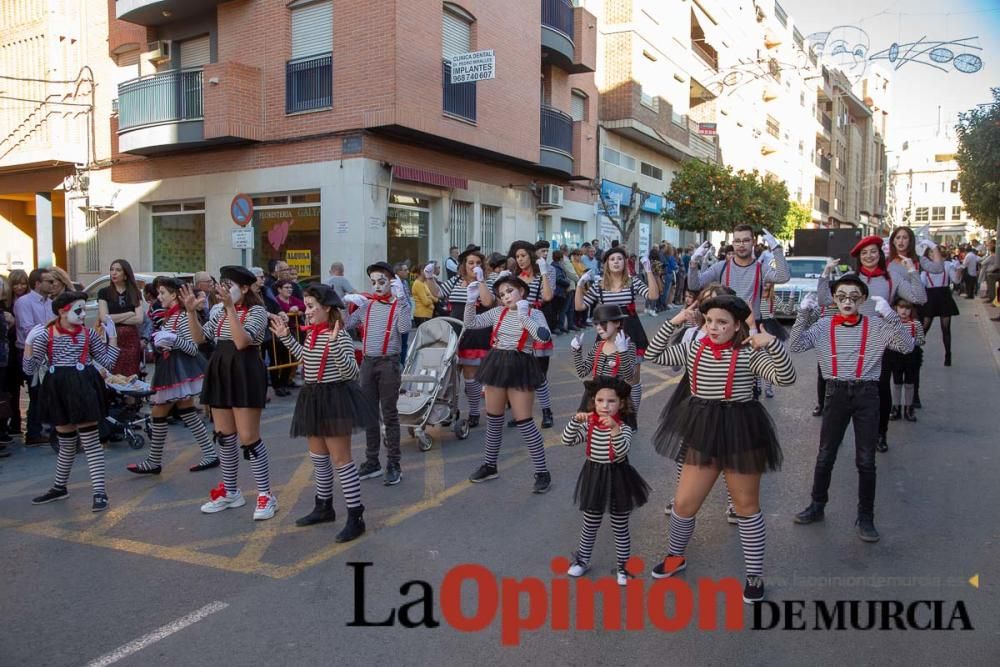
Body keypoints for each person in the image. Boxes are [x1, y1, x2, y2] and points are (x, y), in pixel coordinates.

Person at [643, 295, 796, 604]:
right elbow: (653, 354)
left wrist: (771, 344)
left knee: (745, 506)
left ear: (737, 325)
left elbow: (786, 378)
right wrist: (674, 321)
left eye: (722, 322)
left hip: (741, 429)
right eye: (710, 321)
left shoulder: (748, 353)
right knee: (684, 504)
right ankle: (676, 557)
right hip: (703, 428)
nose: (713, 327)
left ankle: (754, 575)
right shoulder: (692, 347)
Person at [790, 275, 913, 543]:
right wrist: (802, 314)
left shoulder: (877, 327)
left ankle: (865, 517)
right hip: (835, 394)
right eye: (841, 296)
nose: (847, 301)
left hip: (867, 394)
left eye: (854, 295)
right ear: (834, 299)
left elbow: (907, 346)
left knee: (866, 460)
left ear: (864, 299)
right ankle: (817, 505)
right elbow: (796, 345)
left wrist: (892, 317)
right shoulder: (823, 325)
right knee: (825, 455)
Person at [270, 284, 377, 541]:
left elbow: (351, 373)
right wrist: (286, 337)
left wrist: (336, 346)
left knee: (342, 461)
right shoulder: (313, 333)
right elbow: (307, 359)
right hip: (313, 396)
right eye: (306, 306)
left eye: (310, 307)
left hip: (335, 397)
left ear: (326, 308)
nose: (306, 312)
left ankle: (356, 516)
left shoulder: (338, 334)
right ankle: (324, 506)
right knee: (318, 458)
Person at [181, 266, 276, 520]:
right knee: (224, 435)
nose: (223, 290)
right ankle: (231, 491)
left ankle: (266, 494)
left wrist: (231, 310)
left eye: (229, 285)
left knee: (249, 437)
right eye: (221, 284)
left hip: (245, 371)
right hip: (220, 369)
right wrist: (191, 313)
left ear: (245, 288)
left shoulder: (256, 311)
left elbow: (242, 342)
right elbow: (200, 340)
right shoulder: (220, 312)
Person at [816, 235, 925, 451]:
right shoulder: (850, 278)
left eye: (873, 251)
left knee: (881, 390)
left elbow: (919, 298)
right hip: (850, 340)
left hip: (880, 342)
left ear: (880, 253)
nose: (869, 256)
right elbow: (824, 300)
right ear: (858, 257)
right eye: (864, 253)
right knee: (842, 391)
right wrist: (826, 273)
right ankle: (835, 439)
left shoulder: (891, 278)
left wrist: (912, 271)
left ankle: (880, 434)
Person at [651, 283, 740, 522]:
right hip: (693, 395)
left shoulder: (737, 335)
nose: (709, 307)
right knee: (688, 449)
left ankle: (735, 501)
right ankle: (682, 495)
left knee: (729, 451)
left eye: (716, 300)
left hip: (728, 398)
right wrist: (677, 323)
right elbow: (669, 362)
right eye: (705, 302)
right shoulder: (693, 334)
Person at [25, 291, 120, 511]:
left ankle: (99, 491)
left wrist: (113, 338)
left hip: (83, 388)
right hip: (58, 390)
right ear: (62, 311)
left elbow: (107, 363)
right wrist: (29, 344)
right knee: (66, 441)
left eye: (84, 309)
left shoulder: (89, 335)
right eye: (79, 309)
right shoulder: (45, 335)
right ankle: (60, 487)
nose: (83, 314)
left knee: (90, 441)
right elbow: (29, 369)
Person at [463, 273, 553, 492]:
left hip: (521, 364)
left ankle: (542, 472)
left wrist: (524, 317)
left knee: (525, 422)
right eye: (501, 294)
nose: (505, 296)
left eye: (510, 291)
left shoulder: (536, 313)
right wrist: (470, 301)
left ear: (521, 291)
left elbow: (543, 337)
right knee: (493, 419)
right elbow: (471, 323)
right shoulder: (497, 312)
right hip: (496, 362)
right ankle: (490, 465)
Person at [562, 377, 649, 586]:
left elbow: (621, 451)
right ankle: (582, 560)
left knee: (620, 524)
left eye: (611, 401)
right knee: (590, 522)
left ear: (621, 404)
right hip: (593, 476)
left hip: (617, 477)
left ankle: (623, 567)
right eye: (600, 400)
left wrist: (614, 430)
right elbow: (567, 441)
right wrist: (575, 421)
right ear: (594, 402)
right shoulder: (590, 426)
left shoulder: (623, 428)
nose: (605, 406)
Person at [127, 278, 218, 475]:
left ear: (175, 295)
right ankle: (210, 454)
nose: (159, 297)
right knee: (187, 411)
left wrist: (173, 340)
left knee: (159, 412)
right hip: (173, 368)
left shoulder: (183, 316)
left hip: (180, 369)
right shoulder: (171, 315)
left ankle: (154, 461)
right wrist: (164, 343)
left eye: (162, 293)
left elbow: (194, 348)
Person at [343, 262, 411, 486]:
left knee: (389, 415)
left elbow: (404, 330)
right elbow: (345, 325)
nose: (377, 286)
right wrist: (344, 305)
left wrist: (401, 301)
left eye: (382, 281)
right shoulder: (367, 307)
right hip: (368, 364)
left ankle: (394, 463)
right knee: (369, 414)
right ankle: (372, 461)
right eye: (373, 282)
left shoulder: (398, 305)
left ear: (392, 282)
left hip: (388, 364)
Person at [575, 245, 657, 422]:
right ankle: (606, 415)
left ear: (625, 262)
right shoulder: (599, 286)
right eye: (612, 259)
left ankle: (631, 417)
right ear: (606, 264)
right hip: (606, 332)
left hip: (631, 330)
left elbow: (653, 295)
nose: (616, 262)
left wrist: (648, 270)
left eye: (620, 258)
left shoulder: (633, 282)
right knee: (605, 376)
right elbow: (580, 306)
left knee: (632, 378)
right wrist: (580, 285)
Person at [687, 225, 790, 324]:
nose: (741, 245)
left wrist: (777, 249)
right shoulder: (721, 267)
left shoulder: (761, 268)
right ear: (733, 243)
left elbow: (783, 277)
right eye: (737, 241)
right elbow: (694, 285)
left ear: (753, 242)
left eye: (746, 240)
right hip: (727, 325)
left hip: (753, 325)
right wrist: (693, 262)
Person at [440, 248, 494, 427]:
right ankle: (449, 410)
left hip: (475, 333)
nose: (474, 266)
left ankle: (473, 412)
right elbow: (437, 293)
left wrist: (480, 282)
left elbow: (487, 302)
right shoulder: (456, 280)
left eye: (478, 263)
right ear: (464, 265)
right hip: (454, 333)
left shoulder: (487, 281)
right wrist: (430, 277)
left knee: (471, 375)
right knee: (450, 376)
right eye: (471, 263)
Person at [509, 240, 555, 428]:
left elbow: (547, 297)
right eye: (517, 256)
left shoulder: (539, 276)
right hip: (516, 326)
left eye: (523, 256)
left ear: (531, 256)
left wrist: (543, 272)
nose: (520, 259)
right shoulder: (513, 278)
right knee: (518, 374)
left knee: (538, 374)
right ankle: (521, 413)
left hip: (535, 322)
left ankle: (546, 412)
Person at [569, 304, 636, 427]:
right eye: (596, 324)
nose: (599, 328)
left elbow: (629, 376)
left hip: (614, 399)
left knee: (615, 437)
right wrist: (577, 351)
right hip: (595, 398)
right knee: (593, 433)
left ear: (617, 323)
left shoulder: (628, 346)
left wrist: (622, 352)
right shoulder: (598, 346)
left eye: (603, 323)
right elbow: (582, 372)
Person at [14, 268, 55, 445]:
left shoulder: (50, 302)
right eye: (49, 281)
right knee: (36, 392)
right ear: (38, 283)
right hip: (29, 351)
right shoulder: (24, 302)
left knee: (46, 392)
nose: (53, 284)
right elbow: (28, 328)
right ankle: (33, 432)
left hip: (47, 352)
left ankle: (42, 428)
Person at [97, 260, 144, 378]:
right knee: (112, 374)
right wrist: (129, 313)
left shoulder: (135, 293)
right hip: (112, 339)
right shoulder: (104, 292)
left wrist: (114, 318)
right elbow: (104, 318)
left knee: (130, 375)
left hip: (131, 341)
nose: (114, 273)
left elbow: (139, 319)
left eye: (118, 270)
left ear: (126, 274)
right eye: (112, 270)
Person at [885, 296, 925, 423]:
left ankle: (909, 408)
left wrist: (912, 341)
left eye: (907, 308)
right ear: (896, 308)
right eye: (901, 307)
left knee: (910, 382)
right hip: (896, 355)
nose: (904, 311)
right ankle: (895, 407)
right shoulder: (892, 324)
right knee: (896, 382)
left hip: (911, 355)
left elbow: (921, 340)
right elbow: (887, 340)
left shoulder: (916, 324)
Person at [2, 269, 29, 441]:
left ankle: (16, 422)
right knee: (8, 388)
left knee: (16, 388)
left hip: (20, 347)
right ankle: (11, 423)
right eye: (16, 283)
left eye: (23, 283)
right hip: (9, 348)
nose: (20, 287)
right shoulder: (6, 304)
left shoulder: (25, 301)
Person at [411, 263, 437, 328]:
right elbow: (426, 302)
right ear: (422, 271)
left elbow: (436, 299)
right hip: (422, 315)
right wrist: (432, 298)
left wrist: (430, 297)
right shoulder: (417, 283)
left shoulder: (424, 283)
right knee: (424, 337)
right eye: (427, 270)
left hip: (427, 315)